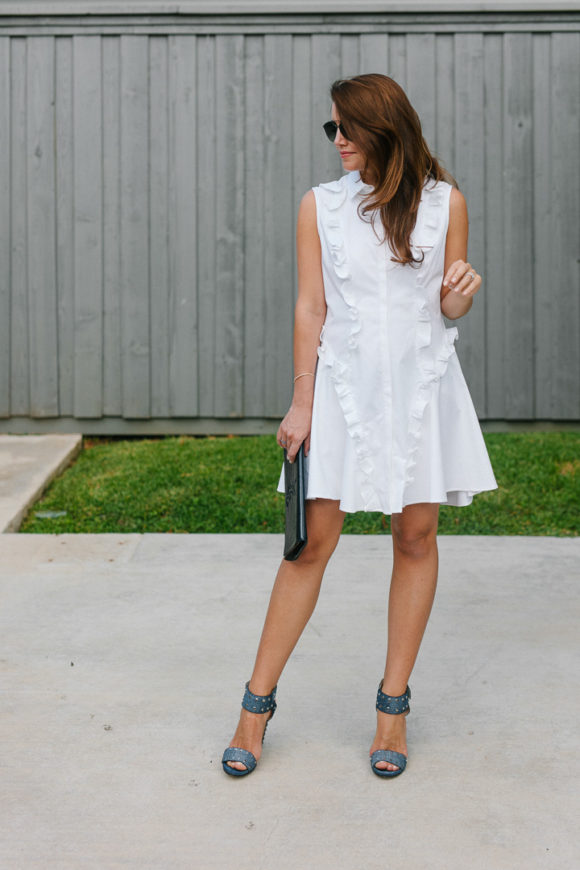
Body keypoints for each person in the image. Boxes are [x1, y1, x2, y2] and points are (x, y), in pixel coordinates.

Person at [222, 73, 498, 779]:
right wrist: (301, 403)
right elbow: (310, 308)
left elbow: (447, 307)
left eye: (347, 128)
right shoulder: (320, 206)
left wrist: (460, 295)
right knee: (310, 543)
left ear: (385, 131)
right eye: (332, 129)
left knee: (415, 536)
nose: (337, 140)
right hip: (341, 390)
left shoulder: (447, 204)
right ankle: (254, 708)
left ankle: (392, 708)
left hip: (420, 388)